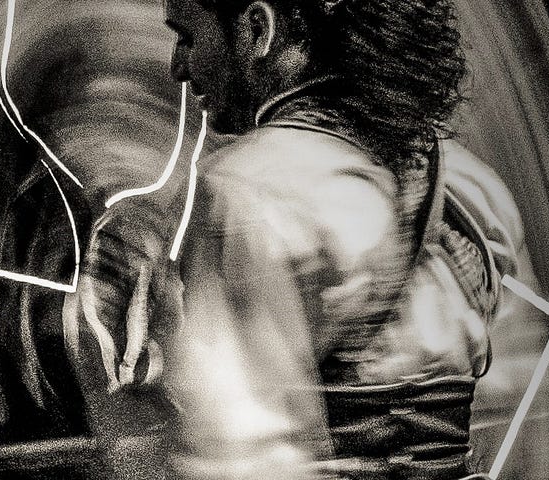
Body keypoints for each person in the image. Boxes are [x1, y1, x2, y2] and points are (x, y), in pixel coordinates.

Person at [68, 0, 525, 478]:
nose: (178, 68)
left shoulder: (250, 192)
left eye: (187, 37)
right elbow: (519, 407)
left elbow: (239, 461)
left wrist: (114, 403)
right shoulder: (475, 191)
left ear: (257, 29)